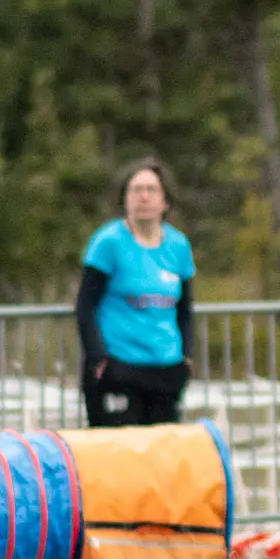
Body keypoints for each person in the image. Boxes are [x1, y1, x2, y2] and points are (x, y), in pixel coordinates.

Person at [76, 157, 195, 427]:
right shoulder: (108, 243)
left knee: (160, 457)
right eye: (136, 190)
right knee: (117, 454)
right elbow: (85, 305)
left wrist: (187, 357)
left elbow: (185, 308)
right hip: (120, 366)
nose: (144, 197)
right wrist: (97, 357)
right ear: (125, 199)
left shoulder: (178, 246)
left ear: (165, 201)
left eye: (151, 190)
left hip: (165, 366)